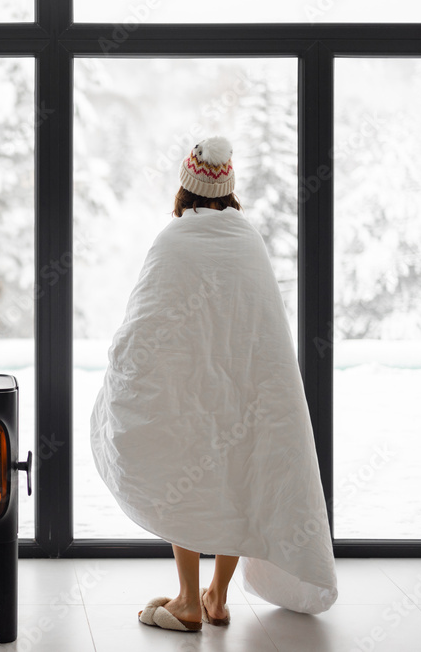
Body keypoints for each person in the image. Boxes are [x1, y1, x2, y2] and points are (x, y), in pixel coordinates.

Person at [89, 137, 337, 633]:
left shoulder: (172, 239)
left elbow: (147, 318)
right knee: (236, 482)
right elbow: (264, 324)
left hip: (188, 393)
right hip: (248, 393)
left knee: (184, 478)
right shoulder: (248, 239)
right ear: (228, 189)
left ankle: (186, 600)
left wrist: (124, 358)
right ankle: (217, 598)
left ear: (185, 187)